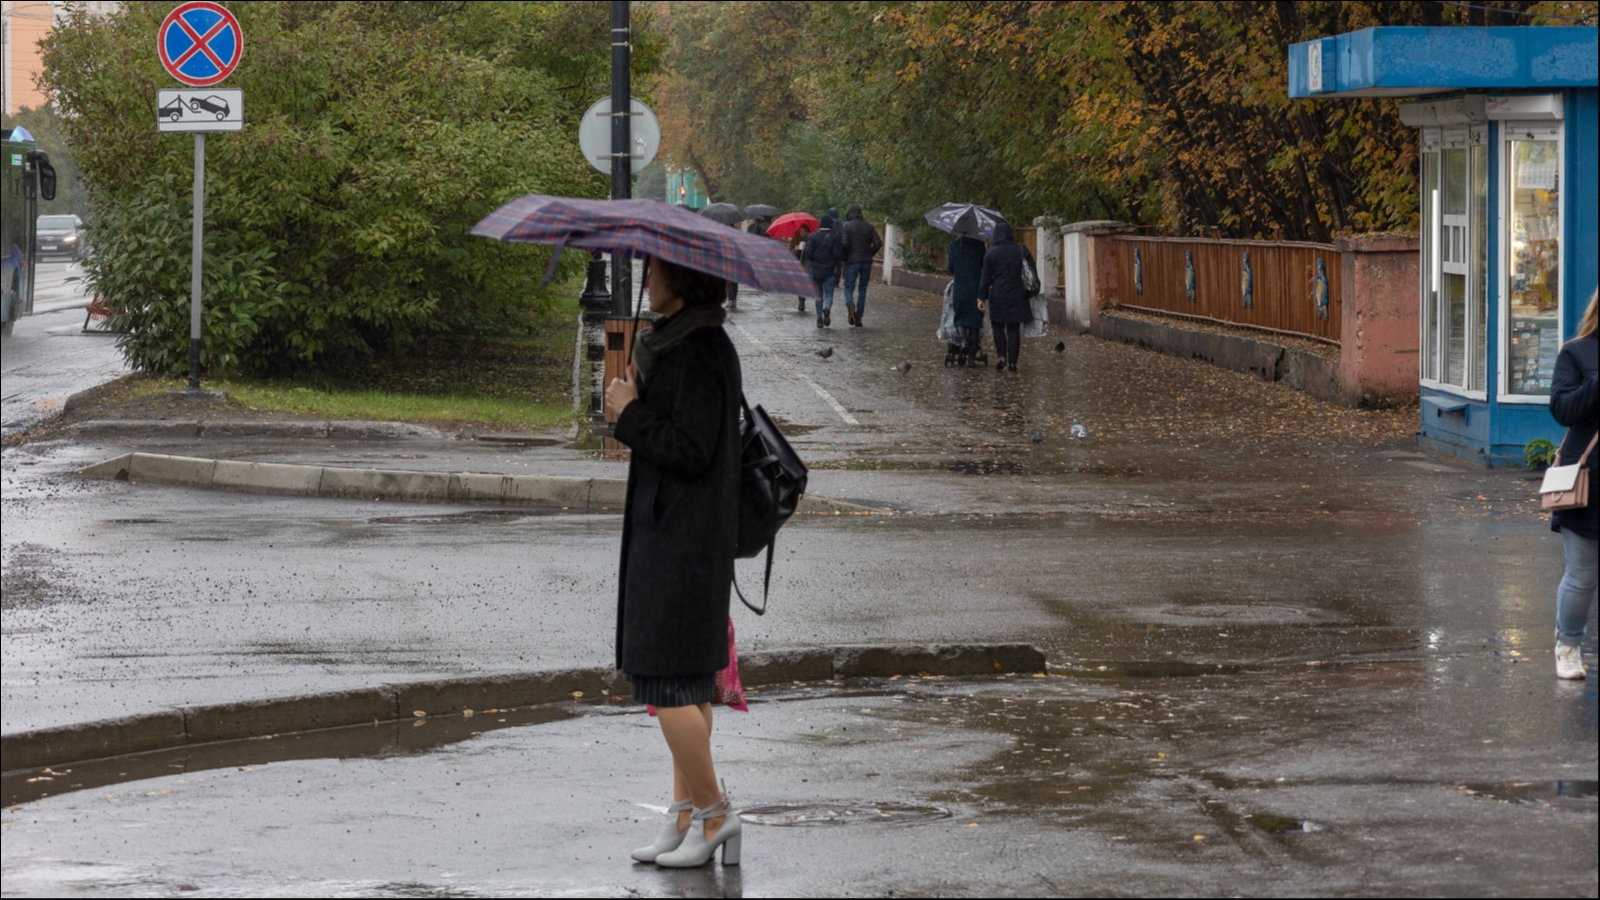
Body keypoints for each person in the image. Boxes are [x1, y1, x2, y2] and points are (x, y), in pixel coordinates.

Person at [604, 256, 745, 868]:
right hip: (676, 536)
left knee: (665, 681)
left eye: (655, 271)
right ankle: (684, 817)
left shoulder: (702, 351)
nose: (647, 281)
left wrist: (628, 416)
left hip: (684, 543)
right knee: (687, 681)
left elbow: (691, 450)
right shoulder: (678, 345)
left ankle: (716, 816)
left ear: (682, 281)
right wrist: (635, 400)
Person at [1549, 289, 1598, 680]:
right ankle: (1568, 644)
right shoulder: (1576, 352)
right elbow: (1562, 409)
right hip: (1589, 484)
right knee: (1583, 575)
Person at [976, 220, 1036, 372]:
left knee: (997, 326)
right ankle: (1013, 362)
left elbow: (985, 278)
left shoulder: (991, 253)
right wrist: (1030, 293)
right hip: (1018, 295)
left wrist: (981, 298)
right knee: (1013, 329)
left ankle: (1002, 356)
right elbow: (1032, 272)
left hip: (998, 295)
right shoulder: (1021, 249)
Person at [945, 234, 988, 366]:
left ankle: (963, 343)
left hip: (960, 288)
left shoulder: (953, 246)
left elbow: (950, 267)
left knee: (960, 318)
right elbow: (985, 266)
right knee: (975, 322)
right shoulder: (980, 246)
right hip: (975, 288)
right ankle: (971, 357)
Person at [839, 204, 883, 327]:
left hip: (852, 261)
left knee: (849, 286)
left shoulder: (846, 227)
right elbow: (878, 243)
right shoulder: (869, 227)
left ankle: (850, 305)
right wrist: (870, 253)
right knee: (862, 289)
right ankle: (858, 316)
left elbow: (844, 243)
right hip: (866, 262)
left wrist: (846, 255)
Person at [802, 215, 844, 328]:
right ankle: (827, 308)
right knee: (829, 294)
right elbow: (837, 254)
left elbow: (808, 252)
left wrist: (815, 261)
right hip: (829, 270)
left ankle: (819, 319)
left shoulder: (814, 237)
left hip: (816, 271)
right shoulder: (834, 237)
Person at [789, 224, 813, 314]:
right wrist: (796, 249)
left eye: (804, 232)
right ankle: (801, 301)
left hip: (807, 262)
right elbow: (790, 252)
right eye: (801, 231)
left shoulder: (811, 239)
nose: (802, 233)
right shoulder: (795, 239)